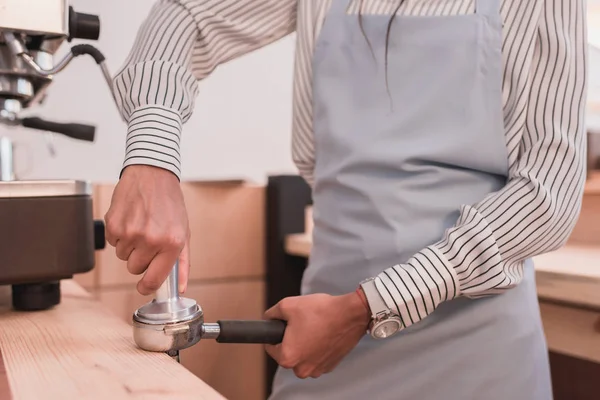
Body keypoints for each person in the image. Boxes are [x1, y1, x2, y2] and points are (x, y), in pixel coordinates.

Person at [104, 0, 588, 399]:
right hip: (324, 343)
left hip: (475, 355)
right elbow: (184, 16)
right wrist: (152, 156)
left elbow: (547, 196)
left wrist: (367, 308)